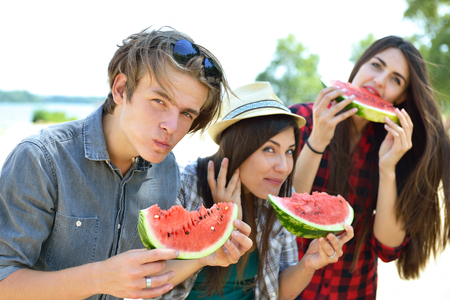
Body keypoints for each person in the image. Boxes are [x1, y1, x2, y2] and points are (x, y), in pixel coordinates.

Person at [0, 26, 253, 300]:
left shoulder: (166, 170)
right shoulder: (40, 159)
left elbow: (143, 276)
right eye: (159, 100)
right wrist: (98, 278)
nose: (171, 126)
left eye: (186, 113)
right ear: (121, 89)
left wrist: (205, 256)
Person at [289, 35, 450, 299]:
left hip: (352, 289)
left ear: (402, 96)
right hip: (287, 280)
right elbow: (284, 205)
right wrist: (317, 139)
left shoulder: (397, 147)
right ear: (360, 64)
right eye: (376, 65)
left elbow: (388, 247)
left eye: (395, 79)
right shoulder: (302, 118)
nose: (380, 80)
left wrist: (387, 168)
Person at [164, 82, 354, 300]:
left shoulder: (280, 198)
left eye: (290, 151)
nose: (283, 166)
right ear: (238, 147)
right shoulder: (184, 186)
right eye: (269, 149)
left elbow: (278, 294)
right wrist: (217, 225)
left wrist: (308, 265)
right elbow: (154, 279)